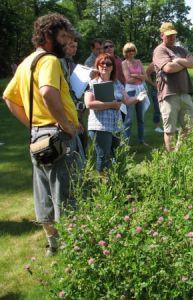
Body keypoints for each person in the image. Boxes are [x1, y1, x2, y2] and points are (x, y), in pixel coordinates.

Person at [2, 13, 82, 256]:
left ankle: (53, 245)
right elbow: (48, 92)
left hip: (37, 137)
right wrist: (65, 124)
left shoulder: (27, 62)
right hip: (58, 135)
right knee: (66, 192)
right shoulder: (49, 61)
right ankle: (74, 249)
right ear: (48, 36)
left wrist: (32, 126)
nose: (66, 42)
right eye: (63, 37)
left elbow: (9, 98)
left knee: (44, 193)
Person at [85, 53, 145, 173]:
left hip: (116, 126)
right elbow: (89, 104)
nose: (105, 66)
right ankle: (103, 185)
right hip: (100, 126)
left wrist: (138, 98)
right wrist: (111, 105)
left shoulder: (116, 83)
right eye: (102, 63)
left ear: (112, 67)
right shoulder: (92, 83)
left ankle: (115, 181)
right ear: (97, 65)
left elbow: (127, 100)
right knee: (103, 156)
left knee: (117, 155)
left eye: (108, 63)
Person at [152, 22, 193, 151]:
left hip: (185, 92)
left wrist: (178, 61)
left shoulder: (180, 50)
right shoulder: (159, 50)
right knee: (170, 130)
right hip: (168, 95)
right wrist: (185, 63)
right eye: (168, 35)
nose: (172, 38)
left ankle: (178, 152)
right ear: (162, 35)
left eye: (173, 35)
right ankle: (172, 160)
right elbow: (168, 68)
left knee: (189, 127)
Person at [60, 36, 88, 154]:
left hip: (76, 103)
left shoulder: (70, 62)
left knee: (82, 137)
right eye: (72, 46)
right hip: (67, 107)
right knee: (76, 140)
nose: (74, 49)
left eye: (76, 47)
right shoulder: (60, 62)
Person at [121, 42, 151, 144]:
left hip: (141, 90)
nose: (131, 52)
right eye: (129, 51)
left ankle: (141, 140)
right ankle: (126, 142)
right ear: (125, 52)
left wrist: (134, 75)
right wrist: (139, 76)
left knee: (141, 118)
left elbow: (145, 77)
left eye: (132, 50)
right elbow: (128, 79)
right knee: (128, 119)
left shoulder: (138, 61)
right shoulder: (124, 63)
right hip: (130, 91)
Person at [145, 62, 163, 133]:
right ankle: (157, 127)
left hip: (167, 89)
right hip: (157, 90)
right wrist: (153, 84)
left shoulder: (166, 61)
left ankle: (169, 125)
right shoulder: (153, 65)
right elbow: (146, 76)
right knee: (157, 108)